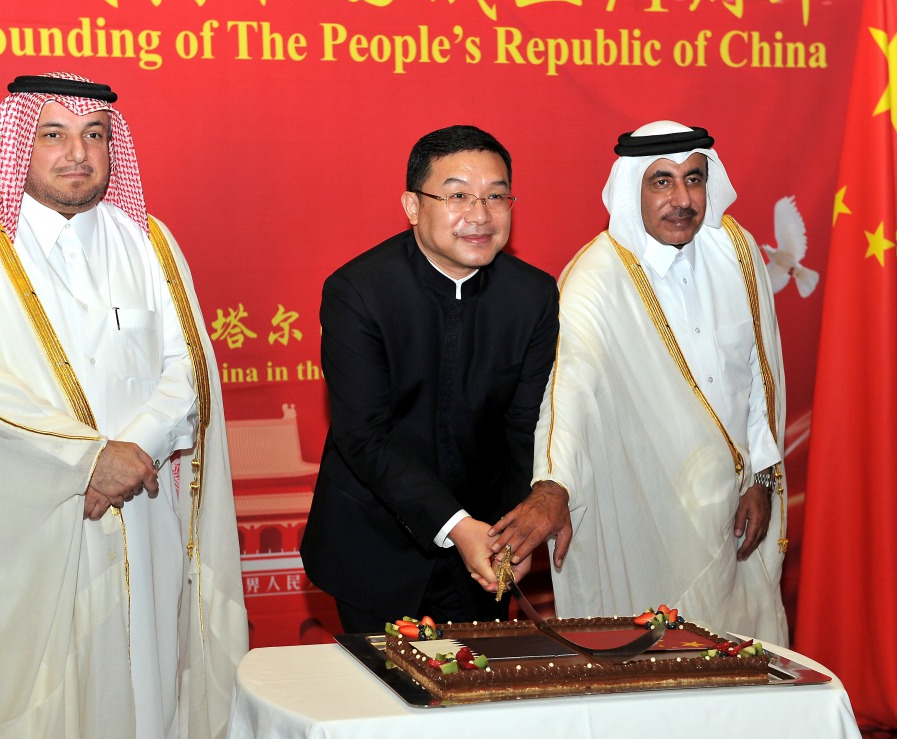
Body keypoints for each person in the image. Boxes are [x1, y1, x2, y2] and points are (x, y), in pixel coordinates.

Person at [0, 73, 248, 739]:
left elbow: (187, 365)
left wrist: (133, 450)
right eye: (51, 135)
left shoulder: (147, 241)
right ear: (18, 142)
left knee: (146, 694)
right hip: (24, 534)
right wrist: (85, 461)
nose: (75, 153)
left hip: (142, 518)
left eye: (94, 135)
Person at [300, 125, 570, 634]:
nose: (479, 215)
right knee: (381, 703)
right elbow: (365, 435)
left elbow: (522, 424)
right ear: (411, 206)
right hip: (374, 547)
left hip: (484, 553)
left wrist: (511, 534)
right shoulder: (358, 292)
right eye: (457, 195)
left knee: (477, 700)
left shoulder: (533, 296)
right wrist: (457, 526)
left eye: (495, 196)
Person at [530, 121, 789, 644]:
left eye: (694, 179)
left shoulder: (735, 251)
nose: (683, 199)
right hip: (649, 510)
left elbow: (761, 377)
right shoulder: (596, 278)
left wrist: (761, 479)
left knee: (745, 653)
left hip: (739, 507)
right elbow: (570, 391)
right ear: (632, 190)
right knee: (657, 657)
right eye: (662, 182)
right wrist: (553, 485)